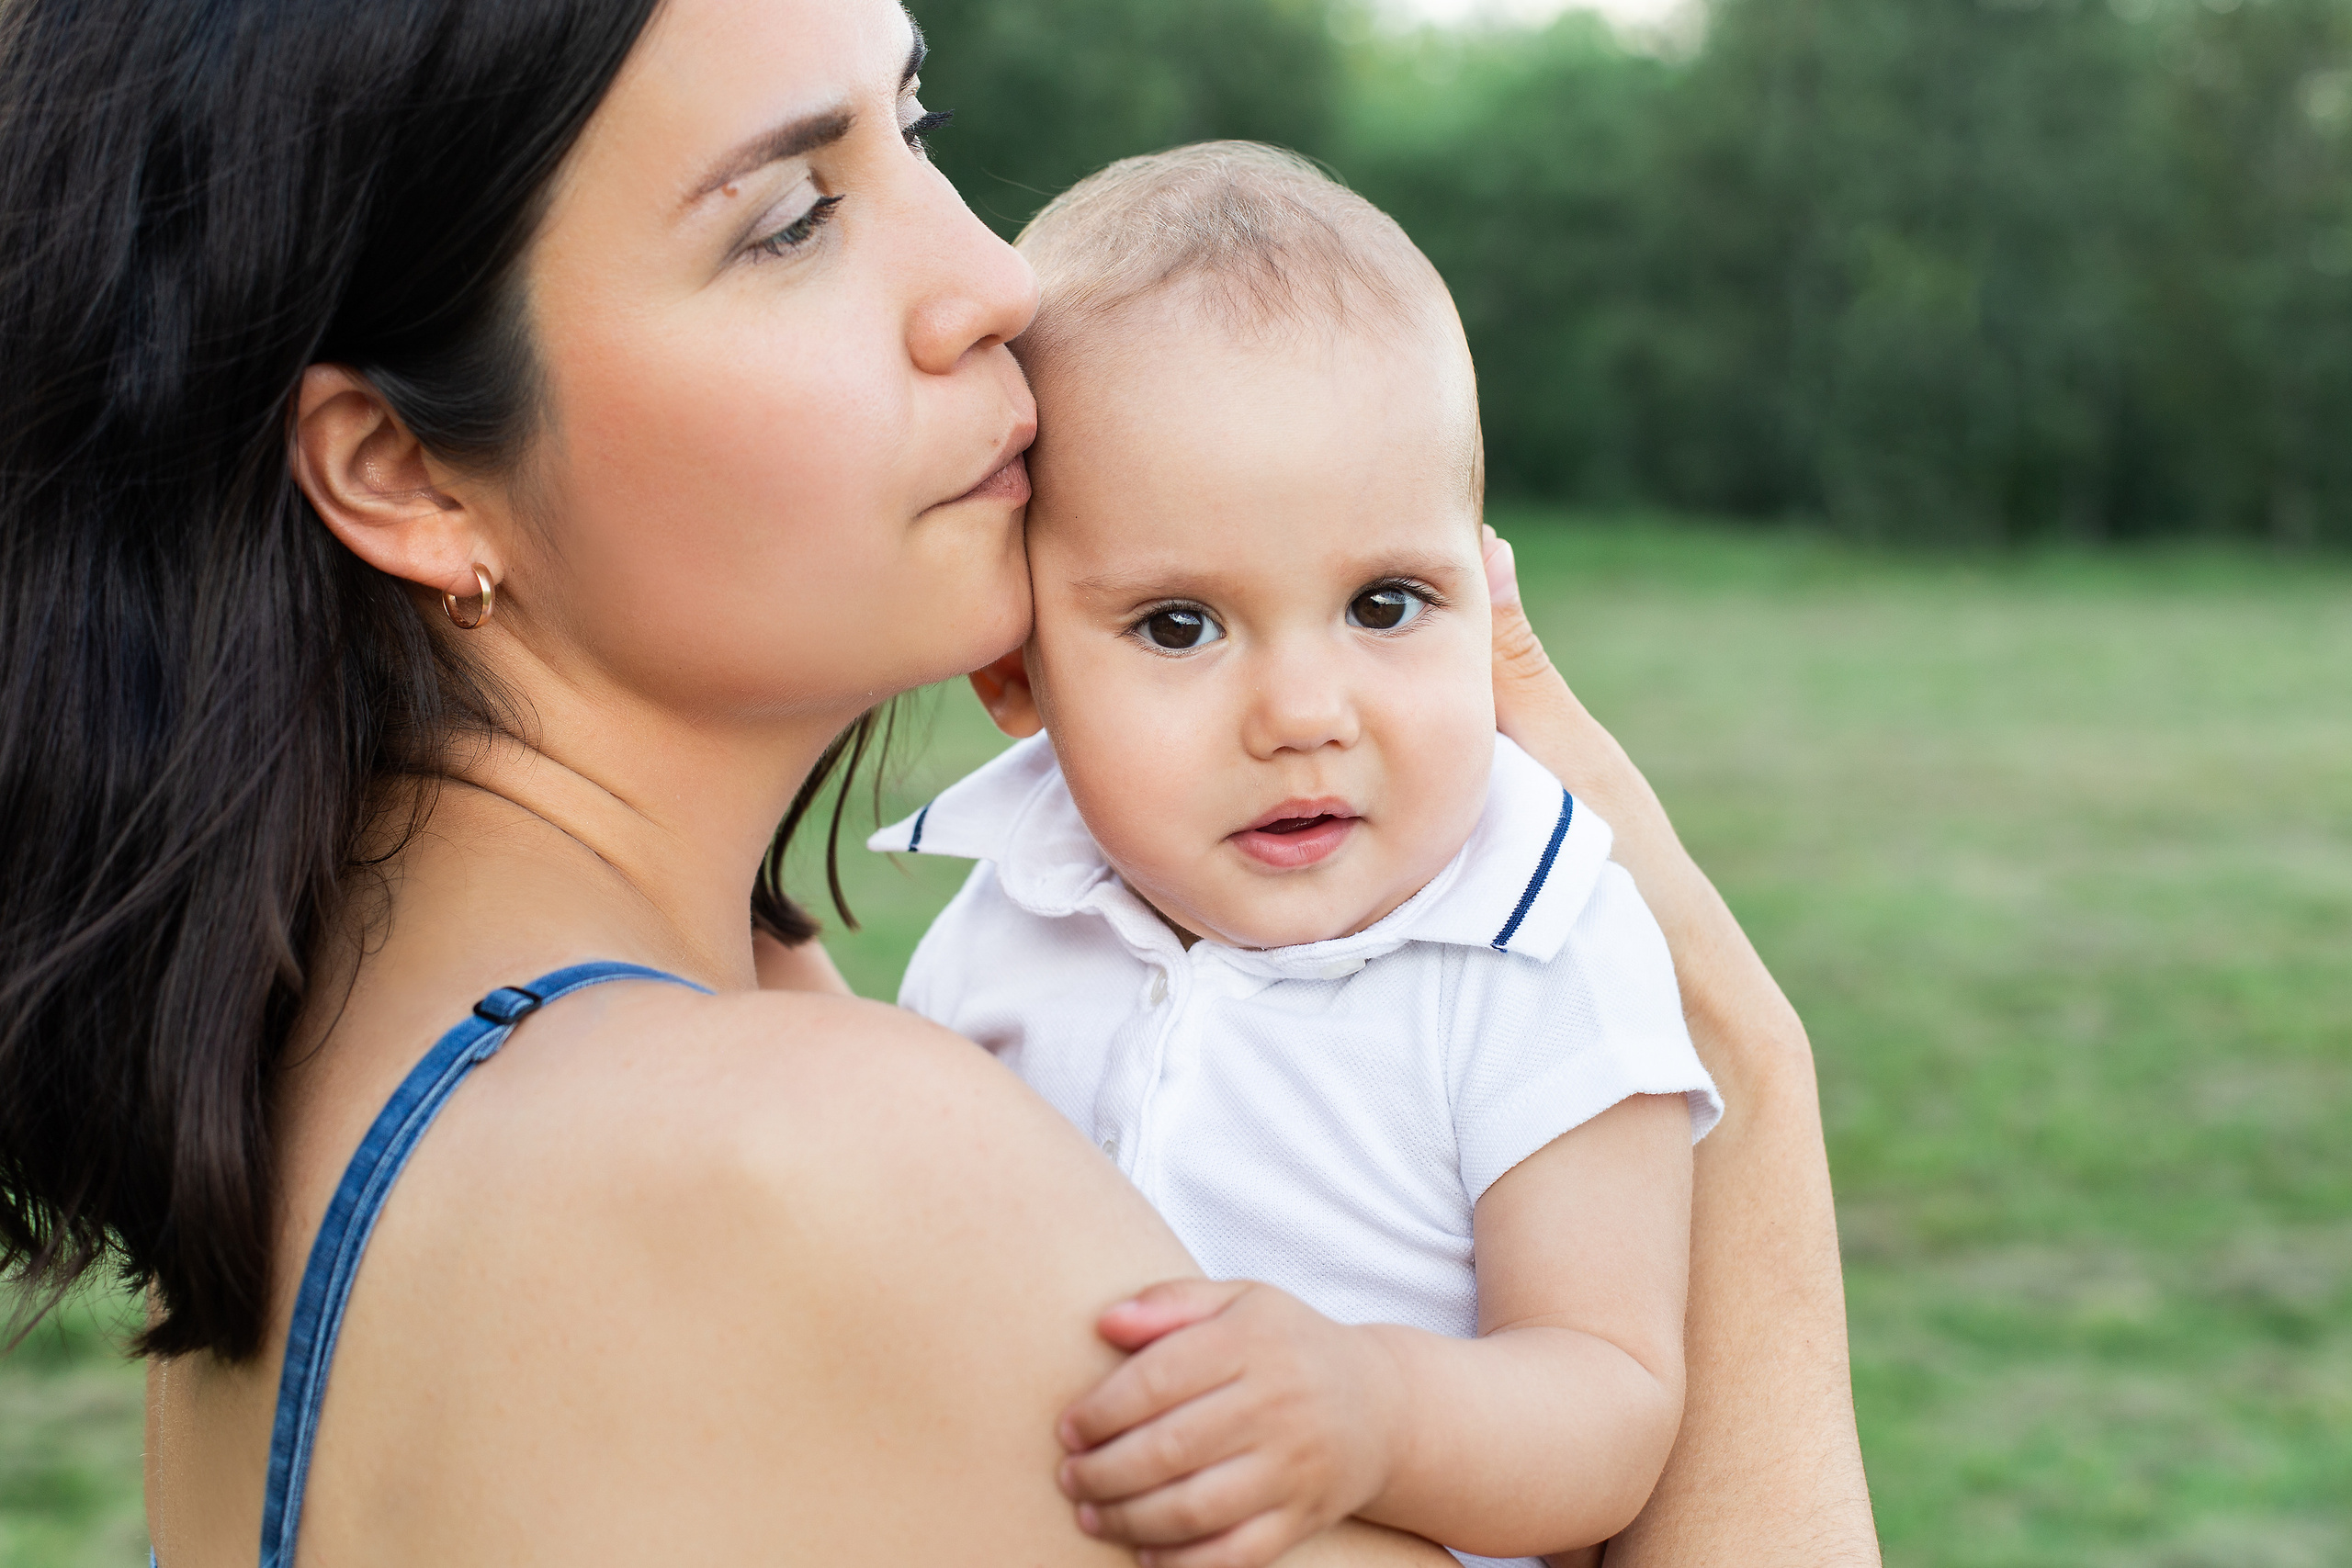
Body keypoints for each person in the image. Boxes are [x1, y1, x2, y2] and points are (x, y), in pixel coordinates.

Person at [0, 1, 1877, 1565]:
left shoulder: (322, 1062)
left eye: (916, 119)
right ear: (404, 470)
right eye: (792, 217)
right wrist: (1744, 1070)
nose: (990, 279)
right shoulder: (817, 1162)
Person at [872, 143, 1720, 1568]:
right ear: (1012, 674)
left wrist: (1375, 1411)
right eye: (1180, 627)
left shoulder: (1536, 942)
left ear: (1488, 590)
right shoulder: (1007, 916)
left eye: (1386, 604)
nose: (1305, 716)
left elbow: (1612, 1408)